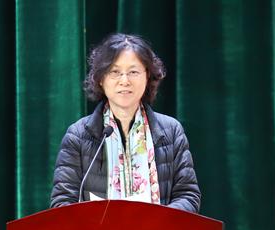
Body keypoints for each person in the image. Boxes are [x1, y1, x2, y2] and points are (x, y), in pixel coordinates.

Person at [50, 33, 200, 213]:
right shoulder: (78, 135)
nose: (124, 81)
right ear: (100, 79)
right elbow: (62, 202)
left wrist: (158, 221)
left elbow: (188, 196)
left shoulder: (171, 131)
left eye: (133, 72)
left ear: (147, 76)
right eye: (115, 72)